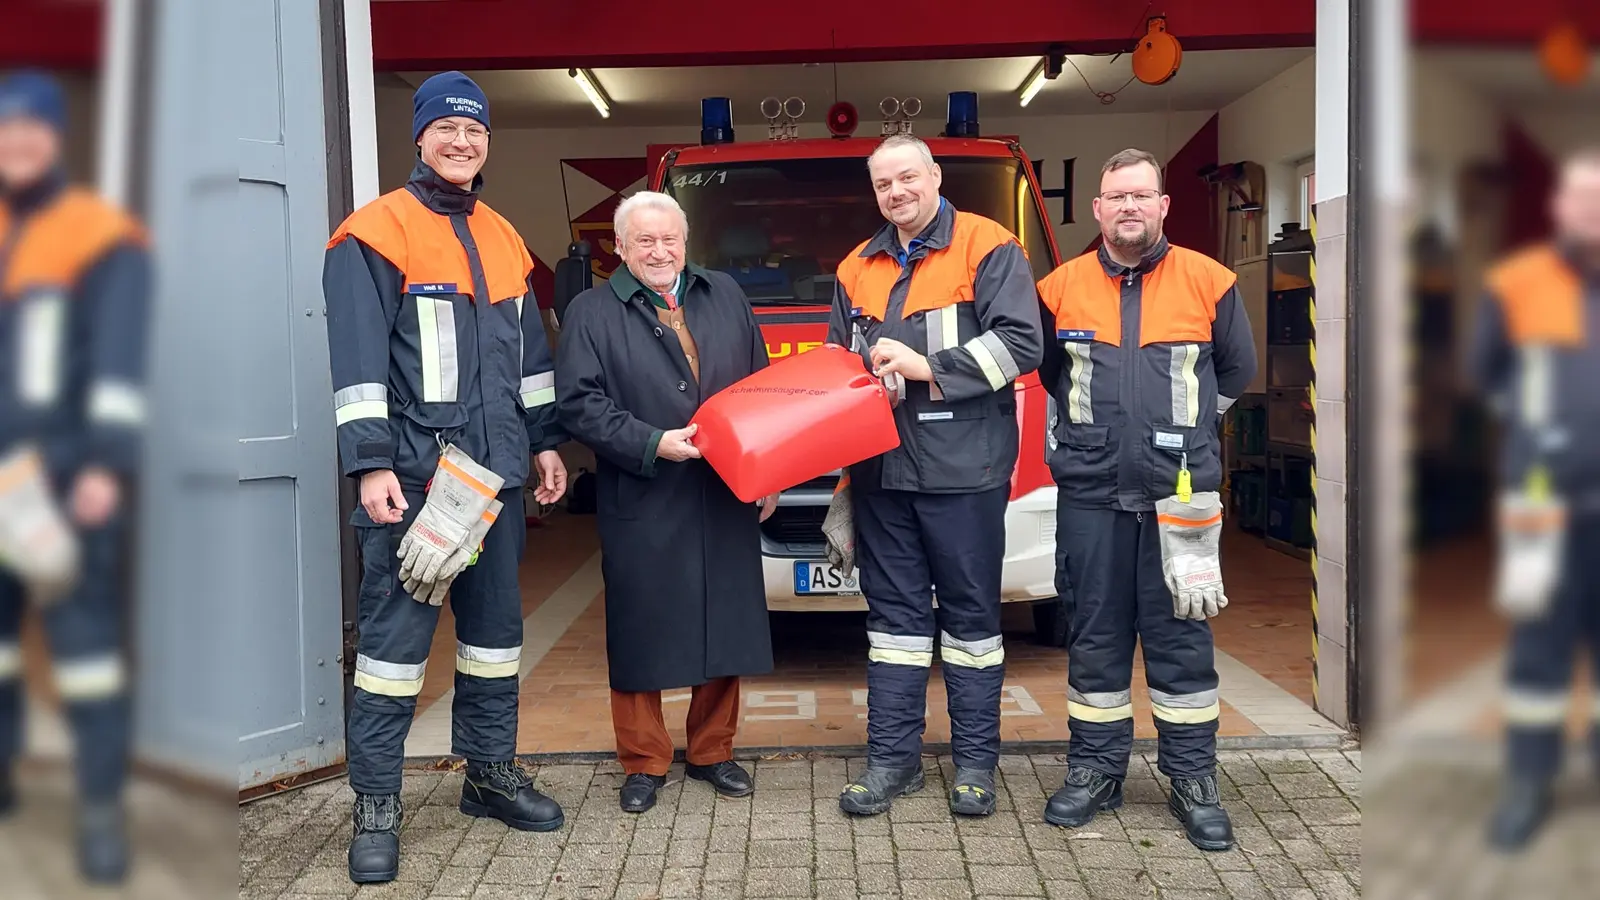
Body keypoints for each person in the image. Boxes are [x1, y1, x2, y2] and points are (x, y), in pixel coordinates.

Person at [322, 71, 570, 884]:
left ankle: (489, 776)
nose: (462, 143)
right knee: (392, 655)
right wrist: (369, 467)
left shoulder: (503, 236)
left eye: (476, 132)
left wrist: (542, 444)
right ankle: (378, 807)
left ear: (487, 142)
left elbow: (531, 362)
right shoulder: (374, 232)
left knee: (494, 645)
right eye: (447, 130)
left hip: (491, 485)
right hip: (414, 484)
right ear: (420, 137)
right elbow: (357, 367)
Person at [1034, 148, 1255, 851]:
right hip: (1091, 495)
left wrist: (1178, 437)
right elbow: (1048, 376)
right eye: (1115, 196)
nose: (1128, 206)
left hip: (1178, 499)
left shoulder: (1210, 283)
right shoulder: (1058, 288)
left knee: (1182, 638)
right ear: (1097, 210)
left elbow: (1236, 372)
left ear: (1163, 206)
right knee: (1095, 638)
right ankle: (1095, 773)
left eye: (1141, 195)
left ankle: (1193, 782)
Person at [825, 134, 1043, 818]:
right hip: (881, 473)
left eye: (908, 178)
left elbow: (1022, 344)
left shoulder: (989, 245)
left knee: (974, 624)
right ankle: (893, 762)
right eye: (884, 184)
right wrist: (862, 386)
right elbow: (838, 365)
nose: (897, 192)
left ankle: (975, 764)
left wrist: (926, 369)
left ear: (935, 176)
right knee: (893, 624)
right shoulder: (855, 265)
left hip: (964, 470)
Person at [555, 191, 777, 814]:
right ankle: (644, 760)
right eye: (644, 241)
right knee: (641, 626)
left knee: (725, 620)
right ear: (619, 249)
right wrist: (653, 442)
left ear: (686, 242)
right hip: (644, 488)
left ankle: (713, 751)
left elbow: (761, 388)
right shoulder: (590, 311)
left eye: (669, 239)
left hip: (724, 487)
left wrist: (767, 471)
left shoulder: (725, 294)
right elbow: (579, 402)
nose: (659, 251)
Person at [0, 69, 150, 885]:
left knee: (85, 652)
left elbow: (122, 366)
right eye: (6, 129)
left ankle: (100, 814)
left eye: (32, 129)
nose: (17, 144)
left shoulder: (97, 233)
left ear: (55, 138)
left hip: (64, 478)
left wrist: (104, 465)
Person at [1470, 148, 1600, 850]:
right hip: (1542, 506)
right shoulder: (1520, 282)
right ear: (1559, 209)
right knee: (1539, 649)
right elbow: (1486, 374)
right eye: (1581, 200)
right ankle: (1528, 779)